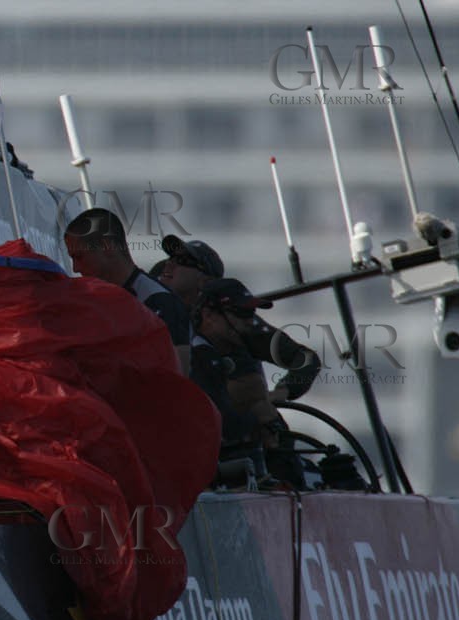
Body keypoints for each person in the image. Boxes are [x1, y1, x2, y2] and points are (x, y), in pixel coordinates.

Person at [156, 233, 321, 404]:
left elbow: (306, 359)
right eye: (171, 258)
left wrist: (284, 390)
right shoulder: (152, 296)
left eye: (183, 261)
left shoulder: (234, 318)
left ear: (205, 280)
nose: (170, 263)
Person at [190, 278, 299, 485]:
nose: (250, 322)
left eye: (251, 314)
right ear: (209, 315)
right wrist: (260, 418)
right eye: (241, 314)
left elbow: (307, 361)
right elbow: (220, 425)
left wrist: (281, 394)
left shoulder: (229, 350)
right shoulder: (198, 358)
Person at [63, 208, 190, 372]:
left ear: (106, 247)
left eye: (79, 257)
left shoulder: (158, 300)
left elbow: (179, 376)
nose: (75, 268)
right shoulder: (89, 303)